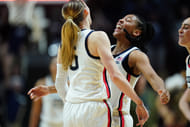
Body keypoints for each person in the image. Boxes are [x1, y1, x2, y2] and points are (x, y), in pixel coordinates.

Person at [28, 0, 149, 127]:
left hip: (70, 110)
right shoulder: (98, 37)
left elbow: (60, 84)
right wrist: (139, 103)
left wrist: (71, 102)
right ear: (86, 12)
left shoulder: (64, 44)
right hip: (94, 108)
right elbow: (115, 76)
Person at [108, 14, 170, 127]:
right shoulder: (106, 50)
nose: (120, 20)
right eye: (121, 18)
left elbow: (152, 76)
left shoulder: (135, 55)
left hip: (117, 118)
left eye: (128, 20)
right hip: (98, 114)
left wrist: (161, 89)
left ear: (136, 32)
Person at [28, 56, 64, 127]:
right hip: (47, 124)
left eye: (58, 64)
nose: (56, 67)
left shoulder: (70, 84)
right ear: (49, 66)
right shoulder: (42, 83)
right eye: (54, 64)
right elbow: (35, 112)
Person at [178, 17, 190, 122]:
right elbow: (183, 101)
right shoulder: (188, 60)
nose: (180, 30)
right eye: (181, 27)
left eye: (186, 28)